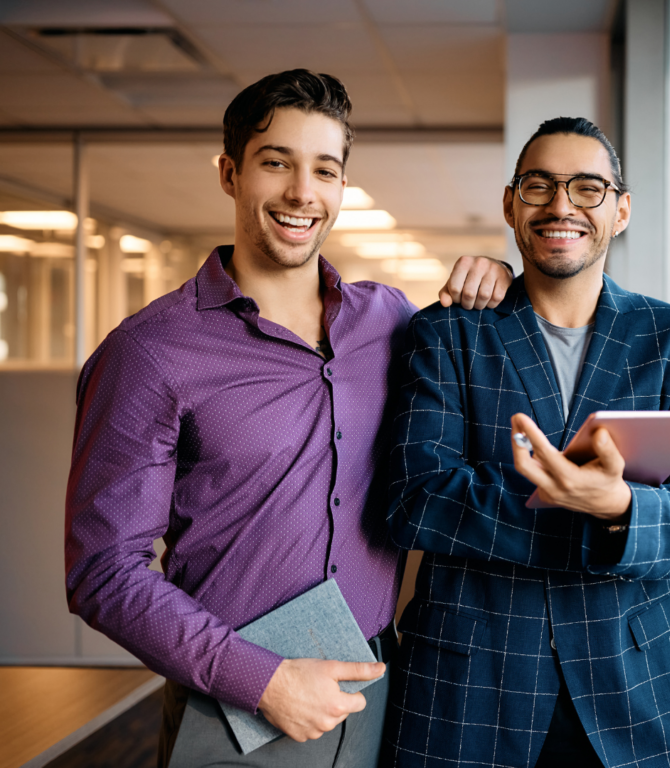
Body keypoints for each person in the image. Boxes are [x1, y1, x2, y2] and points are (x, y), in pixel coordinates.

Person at [64, 69, 514, 768]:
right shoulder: (148, 354)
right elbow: (103, 571)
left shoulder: (389, 319)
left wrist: (498, 276)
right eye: (276, 162)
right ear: (230, 172)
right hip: (234, 706)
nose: (303, 192)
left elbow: (483, 384)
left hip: (375, 690)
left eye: (325, 170)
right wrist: (262, 680)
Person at [382, 117, 670, 768]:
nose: (561, 205)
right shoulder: (448, 332)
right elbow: (415, 499)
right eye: (539, 186)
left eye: (587, 188)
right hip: (469, 686)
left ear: (620, 210)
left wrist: (621, 512)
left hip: (632, 688)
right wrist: (584, 511)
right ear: (511, 205)